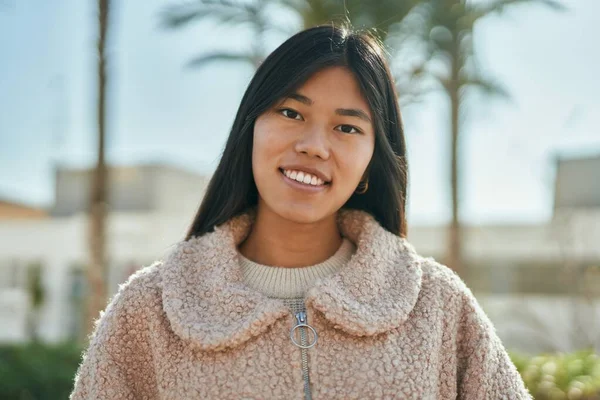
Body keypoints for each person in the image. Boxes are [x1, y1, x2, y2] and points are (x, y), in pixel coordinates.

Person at [70, 25, 531, 400]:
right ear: (251, 127)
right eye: (291, 113)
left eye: (347, 127)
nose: (313, 145)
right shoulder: (151, 309)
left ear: (373, 159)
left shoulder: (437, 306)